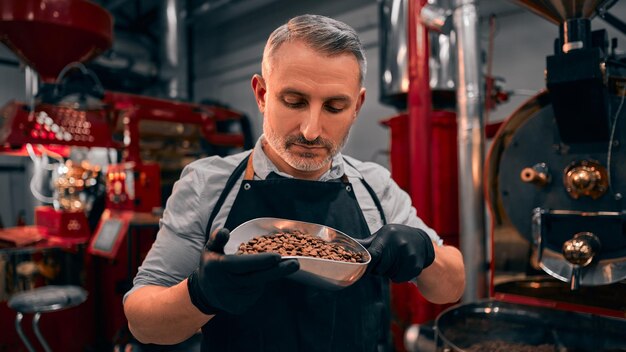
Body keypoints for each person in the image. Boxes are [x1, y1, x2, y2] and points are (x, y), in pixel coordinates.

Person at [123, 14, 465, 352]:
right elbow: (142, 322)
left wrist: (426, 252)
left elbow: (451, 287)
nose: (311, 130)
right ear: (261, 94)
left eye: (334, 107)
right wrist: (199, 294)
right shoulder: (206, 184)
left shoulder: (375, 187)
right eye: (294, 101)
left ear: (357, 106)